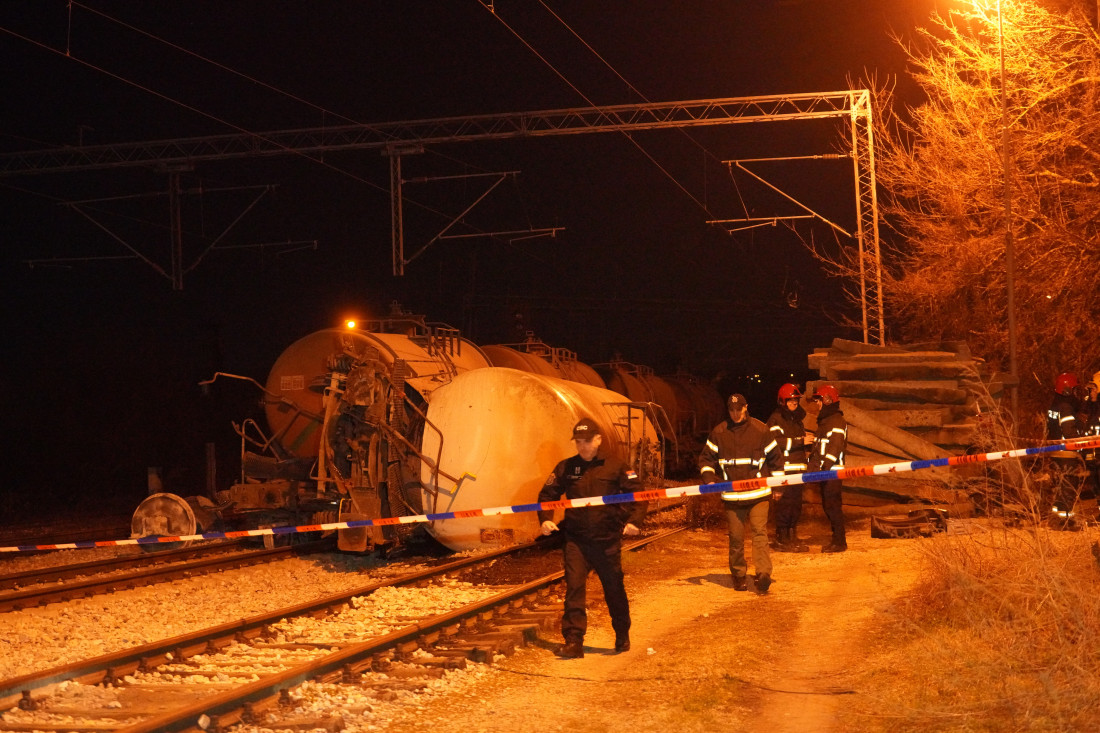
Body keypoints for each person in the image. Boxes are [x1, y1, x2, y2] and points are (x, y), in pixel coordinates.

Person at [538, 417, 646, 659]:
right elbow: (547, 494)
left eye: (587, 441)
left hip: (606, 540)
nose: (582, 446)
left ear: (598, 440)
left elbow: (638, 494)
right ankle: (574, 642)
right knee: (574, 588)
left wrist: (634, 521)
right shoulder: (566, 467)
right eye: (578, 442)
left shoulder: (616, 466)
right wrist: (545, 518)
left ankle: (621, 633)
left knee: (613, 588)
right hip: (576, 540)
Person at [698, 393, 773, 594]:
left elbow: (776, 458)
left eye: (738, 410)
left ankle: (763, 574)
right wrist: (708, 478)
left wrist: (780, 486)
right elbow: (706, 459)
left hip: (759, 494)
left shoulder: (760, 430)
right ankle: (738, 575)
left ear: (745, 408)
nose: (735, 414)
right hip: (732, 497)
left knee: (759, 533)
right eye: (731, 410)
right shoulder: (719, 433)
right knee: (736, 538)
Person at [764, 383, 814, 553]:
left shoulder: (796, 419)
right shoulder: (776, 419)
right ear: (782, 401)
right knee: (784, 505)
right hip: (784, 471)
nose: (794, 402)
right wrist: (800, 441)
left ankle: (792, 536)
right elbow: (775, 442)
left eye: (796, 400)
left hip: (798, 470)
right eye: (790, 400)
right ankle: (782, 538)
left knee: (795, 504)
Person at [807, 384, 849, 552]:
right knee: (829, 506)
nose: (817, 404)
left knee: (832, 507)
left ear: (827, 400)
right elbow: (822, 447)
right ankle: (836, 539)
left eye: (819, 400)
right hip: (827, 472)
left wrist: (825, 467)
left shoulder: (836, 421)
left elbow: (835, 447)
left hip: (832, 472)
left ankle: (839, 542)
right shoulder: (827, 421)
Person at [1046, 372, 1083, 524]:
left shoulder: (1054, 405)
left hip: (1055, 451)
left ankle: (1057, 515)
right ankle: (1066, 520)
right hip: (1066, 452)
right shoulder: (1066, 407)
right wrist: (1082, 440)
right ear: (1067, 390)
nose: (1076, 393)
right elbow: (1069, 432)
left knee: (1060, 484)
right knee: (1068, 485)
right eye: (1074, 390)